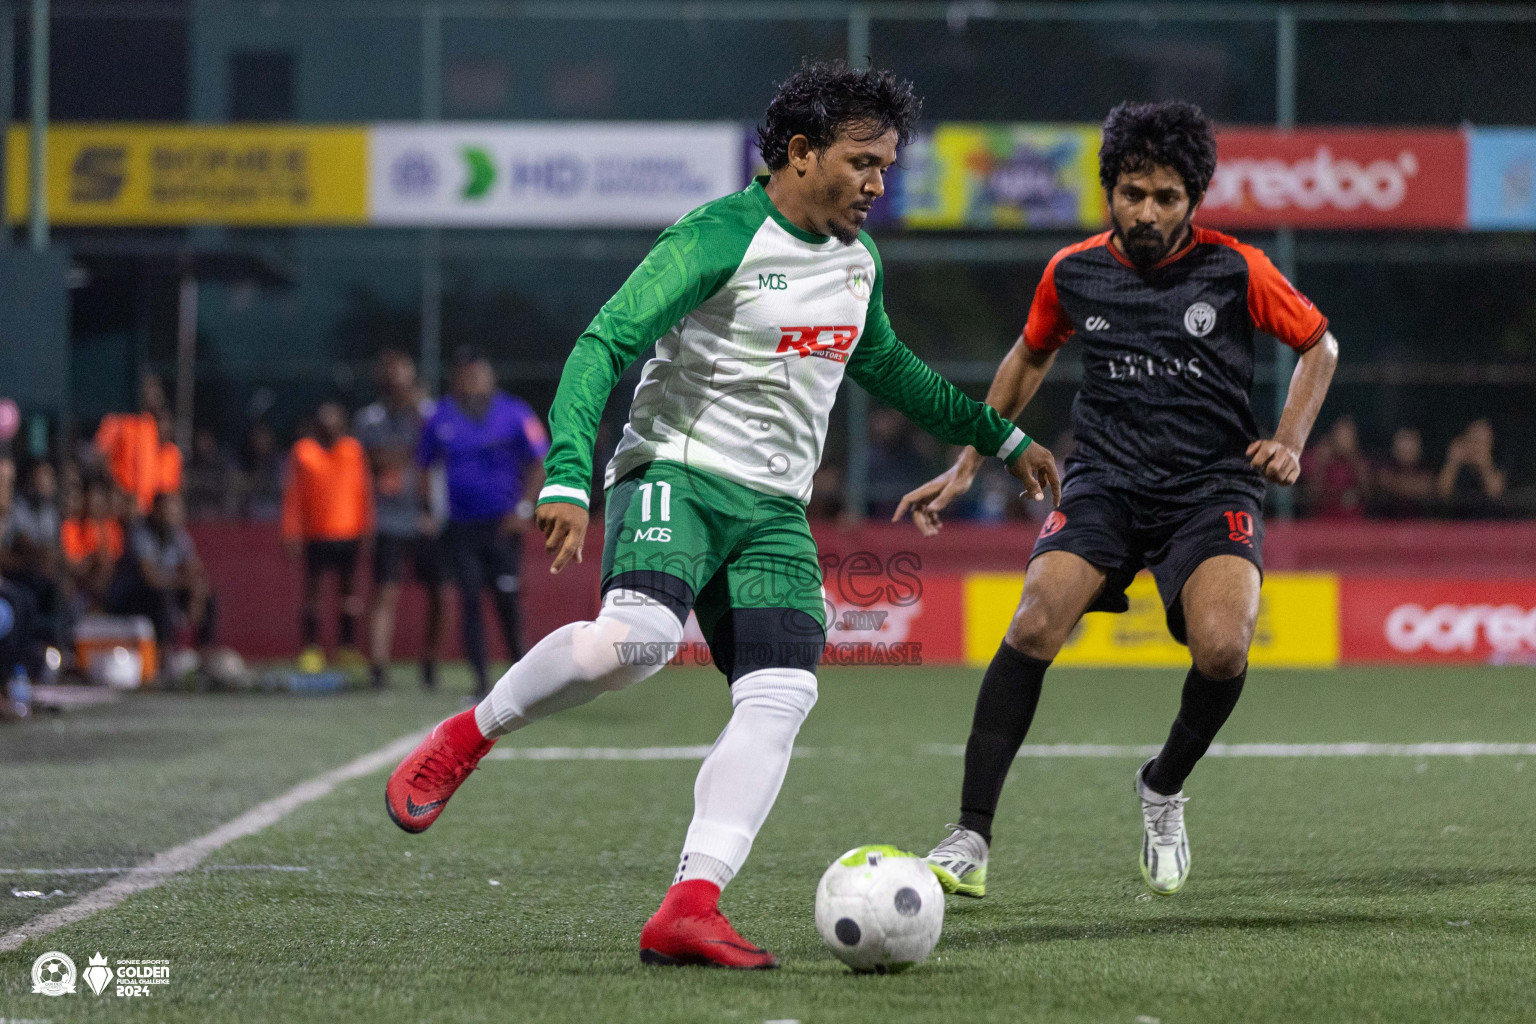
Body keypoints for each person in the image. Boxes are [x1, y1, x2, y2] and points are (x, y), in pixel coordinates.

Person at [384, 61, 1059, 970]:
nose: (878, 183)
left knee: (783, 693)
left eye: (887, 166)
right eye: (863, 162)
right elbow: (604, 343)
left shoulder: (858, 267)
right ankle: (466, 735)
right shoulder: (718, 234)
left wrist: (1002, 439)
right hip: (677, 474)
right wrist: (567, 476)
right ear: (799, 152)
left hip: (774, 511)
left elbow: (893, 370)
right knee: (634, 644)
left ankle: (689, 905)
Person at [894, 100, 1339, 899]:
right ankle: (970, 834)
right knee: (1033, 621)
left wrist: (1291, 440)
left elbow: (1319, 344)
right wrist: (969, 462)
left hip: (1210, 485)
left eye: (1166, 196)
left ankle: (1162, 786)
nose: (1146, 210)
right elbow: (1027, 359)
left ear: (1193, 199)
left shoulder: (1236, 269)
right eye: (1132, 192)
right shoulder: (1074, 271)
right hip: (1105, 478)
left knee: (1224, 649)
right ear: (1111, 190)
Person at [415, 349, 547, 699]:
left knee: (507, 598)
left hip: (503, 526)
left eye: (479, 374)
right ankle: (480, 681)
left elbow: (540, 460)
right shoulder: (440, 416)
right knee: (470, 601)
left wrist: (523, 508)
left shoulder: (514, 412)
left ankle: (524, 677)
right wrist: (427, 509)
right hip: (461, 527)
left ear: (490, 377)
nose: (473, 381)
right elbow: (424, 465)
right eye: (466, 375)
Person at [355, 350, 449, 690]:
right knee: (386, 592)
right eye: (390, 375)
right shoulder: (369, 419)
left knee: (440, 593)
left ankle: (430, 662)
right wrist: (409, 451)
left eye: (403, 375)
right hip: (387, 518)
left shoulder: (430, 415)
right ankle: (378, 668)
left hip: (429, 516)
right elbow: (373, 458)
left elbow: (441, 453)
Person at [282, 402, 372, 673]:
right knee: (314, 594)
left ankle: (346, 647)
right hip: (316, 534)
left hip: (348, 533)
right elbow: (294, 495)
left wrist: (366, 529)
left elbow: (362, 492)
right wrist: (291, 531)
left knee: (349, 594)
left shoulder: (352, 450)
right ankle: (312, 649)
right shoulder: (304, 452)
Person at [106, 491, 216, 672]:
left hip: (165, 589)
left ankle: (204, 658)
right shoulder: (139, 532)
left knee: (210, 596)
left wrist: (197, 591)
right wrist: (184, 582)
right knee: (162, 597)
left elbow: (194, 568)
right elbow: (151, 578)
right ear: (155, 511)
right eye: (167, 511)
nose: (172, 516)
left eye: (175, 511)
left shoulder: (178, 534)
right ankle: (163, 660)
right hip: (132, 597)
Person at [95, 373, 174, 514]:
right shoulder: (118, 417)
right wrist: (119, 493)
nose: (153, 394)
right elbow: (101, 456)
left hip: (147, 509)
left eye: (155, 388)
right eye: (149, 388)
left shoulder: (150, 424)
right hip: (120, 505)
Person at [61, 478, 124, 607]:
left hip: (108, 581)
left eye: (99, 500)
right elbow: (70, 560)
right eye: (90, 499)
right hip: (77, 577)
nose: (94, 504)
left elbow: (113, 559)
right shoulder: (71, 525)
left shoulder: (112, 527)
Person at [1300, 415, 1371, 519]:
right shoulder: (1320, 457)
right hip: (1323, 523)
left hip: (1354, 523)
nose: (1344, 439)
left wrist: (1353, 458)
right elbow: (1310, 495)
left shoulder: (1359, 461)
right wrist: (1322, 464)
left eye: (1348, 435)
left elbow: (1368, 493)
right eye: (1341, 434)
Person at [1437, 418, 1508, 519]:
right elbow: (1442, 493)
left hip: (1490, 524)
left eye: (1482, 442)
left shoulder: (1498, 462)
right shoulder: (1458, 465)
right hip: (1458, 523)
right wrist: (1452, 463)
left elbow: (1495, 493)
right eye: (1474, 440)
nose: (1477, 447)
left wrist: (1485, 466)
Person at [1371, 426, 1436, 518]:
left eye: (1411, 440)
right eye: (1404, 439)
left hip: (1421, 527)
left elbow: (1428, 486)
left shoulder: (1428, 468)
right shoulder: (1385, 468)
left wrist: (1398, 484)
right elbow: (1383, 482)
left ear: (1419, 447)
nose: (1407, 446)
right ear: (1394, 447)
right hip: (1388, 527)